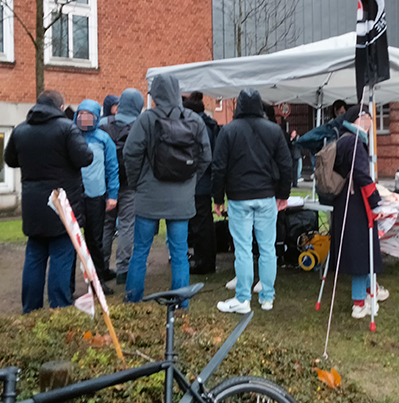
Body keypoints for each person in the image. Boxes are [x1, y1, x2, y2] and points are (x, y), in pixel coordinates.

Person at [122, 74, 211, 305]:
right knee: (180, 254)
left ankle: (133, 302)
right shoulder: (195, 119)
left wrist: (136, 182)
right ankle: (181, 304)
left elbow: (130, 153)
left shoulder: (146, 120)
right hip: (181, 198)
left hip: (149, 195)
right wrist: (191, 180)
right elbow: (206, 156)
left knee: (140, 252)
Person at [5, 90, 92, 313]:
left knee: (34, 256)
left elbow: (10, 159)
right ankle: (59, 307)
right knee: (62, 256)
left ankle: (30, 308)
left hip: (33, 203)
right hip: (61, 202)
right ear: (61, 107)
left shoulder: (21, 129)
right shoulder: (66, 128)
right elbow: (85, 157)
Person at [212, 89, 294, 313]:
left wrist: (218, 198)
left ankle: (243, 299)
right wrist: (283, 195)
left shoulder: (228, 131)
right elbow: (286, 165)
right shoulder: (274, 130)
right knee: (268, 249)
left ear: (238, 106)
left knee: (243, 249)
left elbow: (219, 167)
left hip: (239, 198)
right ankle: (267, 297)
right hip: (266, 196)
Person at [328, 106, 386, 318]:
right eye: (369, 117)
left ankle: (371, 291)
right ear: (359, 119)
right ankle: (360, 302)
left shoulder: (342, 139)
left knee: (360, 252)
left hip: (344, 200)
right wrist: (375, 201)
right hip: (356, 202)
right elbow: (361, 174)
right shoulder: (354, 142)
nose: (371, 122)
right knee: (363, 253)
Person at [73, 99, 120, 294]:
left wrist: (113, 195)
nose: (84, 119)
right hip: (74, 197)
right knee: (71, 242)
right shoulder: (71, 135)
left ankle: (97, 280)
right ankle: (67, 286)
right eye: (81, 114)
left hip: (96, 196)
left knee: (95, 241)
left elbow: (112, 167)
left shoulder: (104, 138)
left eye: (89, 115)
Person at [101, 88, 145, 285]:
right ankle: (123, 269)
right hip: (130, 183)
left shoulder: (102, 124)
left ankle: (101, 267)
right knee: (127, 225)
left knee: (106, 225)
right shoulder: (140, 125)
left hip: (106, 184)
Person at [184, 92, 221, 275]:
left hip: (199, 181)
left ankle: (204, 263)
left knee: (201, 224)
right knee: (204, 222)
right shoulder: (208, 123)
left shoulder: (198, 126)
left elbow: (202, 155)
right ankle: (205, 260)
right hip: (205, 181)